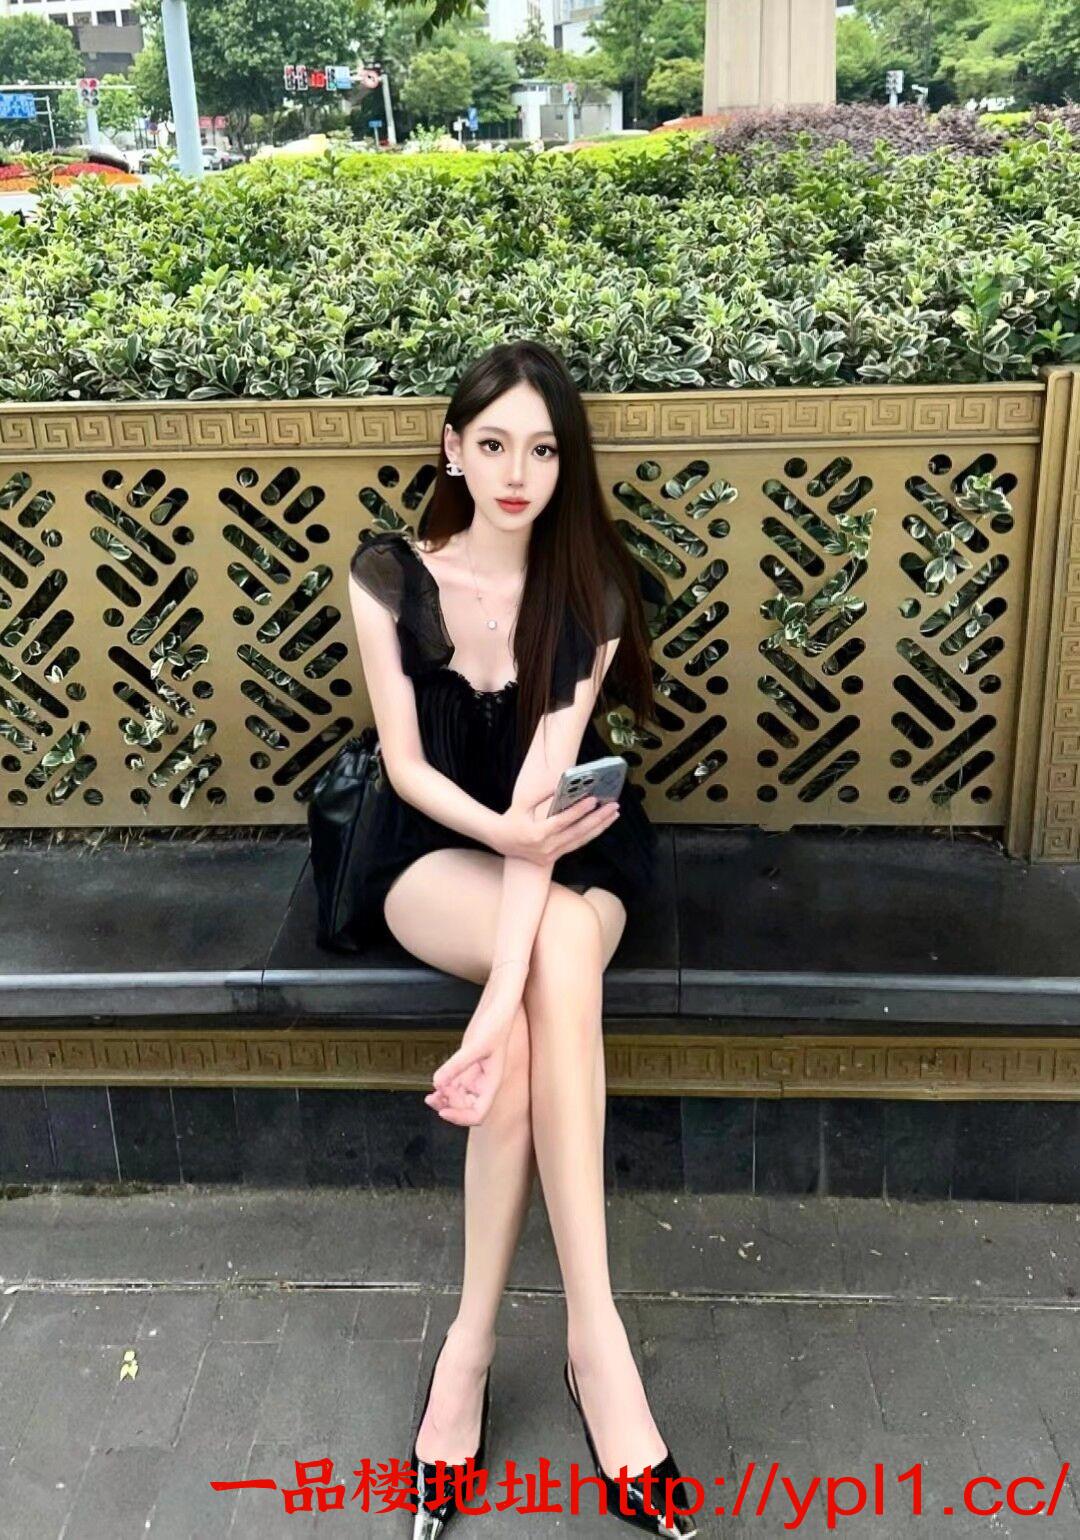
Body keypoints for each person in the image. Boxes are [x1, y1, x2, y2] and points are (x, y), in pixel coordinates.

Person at [347, 339, 697, 1539]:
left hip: (570, 847)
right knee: (550, 956)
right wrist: (501, 856)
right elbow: (405, 766)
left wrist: (489, 1022)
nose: (516, 473)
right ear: (453, 448)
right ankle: (595, 1351)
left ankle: (489, 1346)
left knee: (546, 974)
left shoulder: (589, 590)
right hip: (431, 848)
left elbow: (547, 807)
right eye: (493, 444)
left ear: (565, 463)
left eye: (543, 450)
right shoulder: (392, 576)